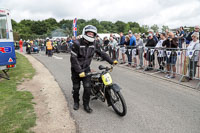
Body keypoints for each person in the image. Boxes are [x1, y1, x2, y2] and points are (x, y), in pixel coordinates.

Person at [70, 25, 118, 113]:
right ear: (85, 33)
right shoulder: (76, 43)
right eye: (89, 33)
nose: (91, 35)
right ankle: (76, 102)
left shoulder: (94, 44)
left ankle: (86, 105)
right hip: (76, 70)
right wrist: (79, 71)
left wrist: (111, 61)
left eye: (93, 34)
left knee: (87, 88)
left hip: (86, 69)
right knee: (76, 88)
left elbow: (102, 53)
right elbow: (73, 59)